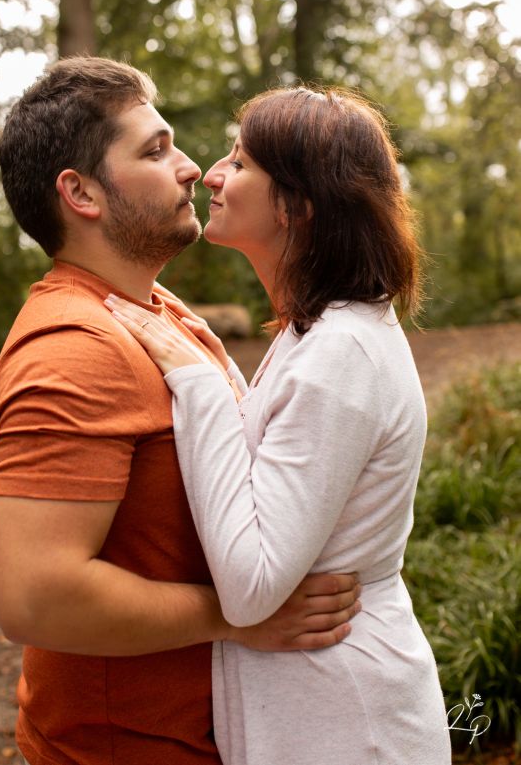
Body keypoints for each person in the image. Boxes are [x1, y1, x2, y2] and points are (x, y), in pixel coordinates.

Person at [0, 58, 361, 765]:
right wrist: (241, 616)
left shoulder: (161, 313)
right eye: (154, 151)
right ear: (82, 192)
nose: (192, 167)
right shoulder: (71, 347)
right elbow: (36, 596)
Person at [109, 87, 453, 765]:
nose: (210, 173)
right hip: (317, 706)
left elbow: (252, 585)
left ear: (296, 204)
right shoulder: (319, 335)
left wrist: (203, 385)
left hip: (347, 718)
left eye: (239, 163)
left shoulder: (340, 354)